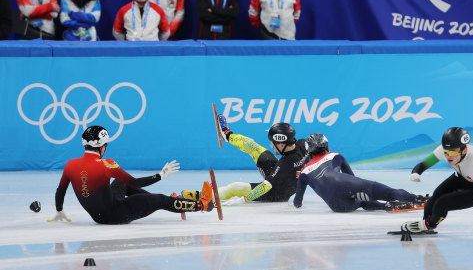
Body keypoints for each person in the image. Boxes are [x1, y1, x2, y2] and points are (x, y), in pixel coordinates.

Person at [50, 125, 214, 224]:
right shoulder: (106, 163)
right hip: (117, 214)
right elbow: (135, 183)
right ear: (102, 147)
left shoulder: (70, 165)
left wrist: (59, 211)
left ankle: (174, 202)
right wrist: (160, 175)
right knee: (159, 200)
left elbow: (60, 191)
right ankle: (203, 205)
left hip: (98, 216)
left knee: (122, 184)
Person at [293, 133, 428, 212]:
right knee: (388, 192)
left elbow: (297, 202)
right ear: (326, 146)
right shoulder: (335, 155)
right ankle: (418, 199)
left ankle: (385, 206)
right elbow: (351, 177)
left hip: (337, 206)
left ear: (309, 151)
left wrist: (296, 205)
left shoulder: (304, 171)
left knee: (360, 201)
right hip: (345, 183)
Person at [216, 114, 310, 205]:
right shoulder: (302, 144)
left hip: (276, 194)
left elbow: (265, 187)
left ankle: (204, 195)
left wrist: (241, 200)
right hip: (283, 179)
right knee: (250, 145)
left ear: (282, 144)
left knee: (235, 187)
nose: (271, 145)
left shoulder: (284, 164)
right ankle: (227, 135)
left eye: (273, 143)